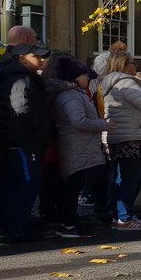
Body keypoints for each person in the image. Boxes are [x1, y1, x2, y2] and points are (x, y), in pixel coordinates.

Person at [0, 42, 50, 242]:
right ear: (22, 58)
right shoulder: (21, 80)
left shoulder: (19, 78)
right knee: (26, 184)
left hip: (18, 141)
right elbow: (20, 110)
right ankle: (18, 228)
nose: (42, 60)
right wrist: (36, 129)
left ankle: (17, 226)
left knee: (17, 186)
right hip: (23, 141)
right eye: (37, 56)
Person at [51, 57, 112, 239]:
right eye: (85, 75)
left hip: (80, 147)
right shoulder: (70, 96)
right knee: (72, 188)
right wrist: (103, 125)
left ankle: (68, 223)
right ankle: (68, 225)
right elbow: (77, 121)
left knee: (73, 187)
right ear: (75, 77)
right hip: (76, 147)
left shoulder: (74, 94)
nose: (88, 79)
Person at [100, 50, 141, 230]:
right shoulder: (126, 82)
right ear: (124, 66)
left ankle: (120, 215)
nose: (136, 66)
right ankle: (124, 218)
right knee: (130, 179)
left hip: (121, 135)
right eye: (133, 63)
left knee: (121, 178)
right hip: (134, 136)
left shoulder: (108, 82)